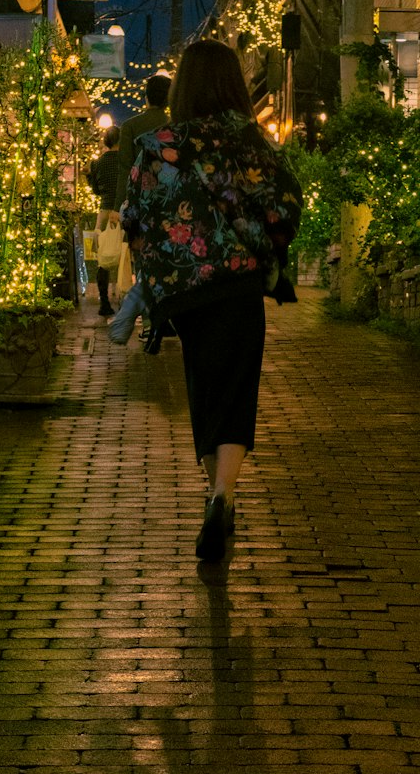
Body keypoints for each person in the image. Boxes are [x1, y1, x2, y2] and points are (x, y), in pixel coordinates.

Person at [120, 39, 301, 562]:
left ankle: (213, 493)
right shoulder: (251, 141)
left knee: (204, 389)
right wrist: (268, 247)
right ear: (233, 84)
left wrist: (157, 277)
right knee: (238, 390)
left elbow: (136, 218)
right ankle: (224, 494)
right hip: (240, 285)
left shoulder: (157, 145)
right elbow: (287, 202)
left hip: (187, 295)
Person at [111, 74, 171, 214]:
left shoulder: (130, 126)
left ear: (147, 97)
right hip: (168, 198)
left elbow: (125, 168)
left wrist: (117, 207)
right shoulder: (174, 126)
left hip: (138, 199)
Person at [87, 124, 120, 316]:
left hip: (105, 211)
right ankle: (128, 301)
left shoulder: (99, 162)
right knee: (126, 255)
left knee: (103, 258)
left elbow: (97, 190)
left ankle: (104, 303)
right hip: (123, 210)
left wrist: (89, 178)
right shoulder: (126, 161)